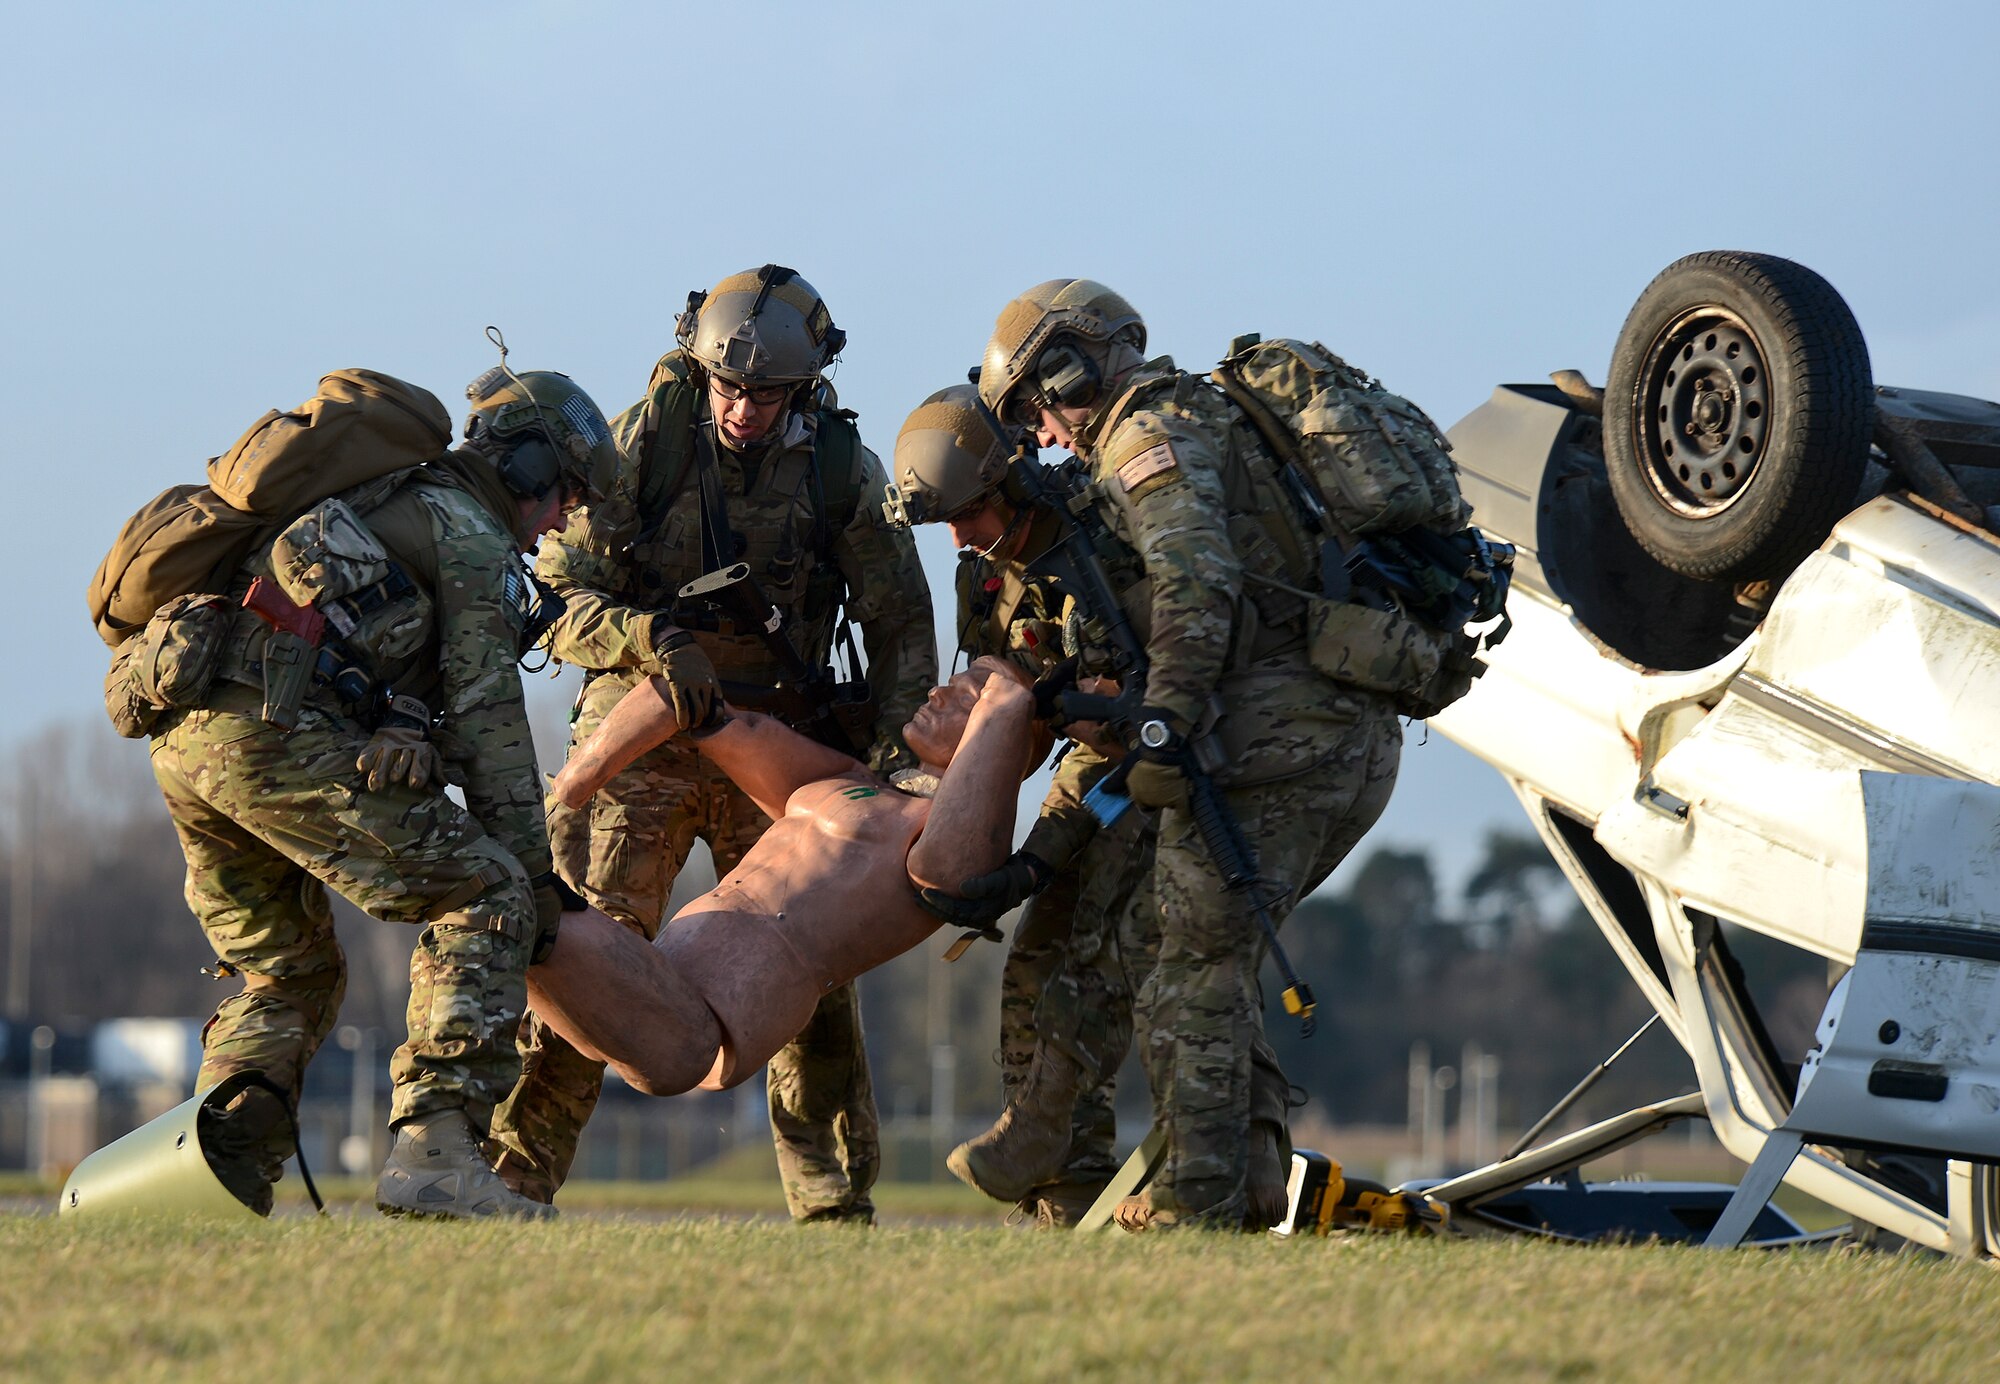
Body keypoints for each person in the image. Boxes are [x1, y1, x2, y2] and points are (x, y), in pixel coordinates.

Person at [938, 279, 1403, 1230]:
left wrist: (1164, 723)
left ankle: (1199, 1207)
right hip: (1331, 732)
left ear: (1070, 372)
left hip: (1278, 742)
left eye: (1039, 407)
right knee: (1187, 958)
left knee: (1186, 970)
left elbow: (1197, 585)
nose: (1047, 435)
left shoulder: (1143, 437)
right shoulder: (1195, 415)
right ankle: (1240, 1180)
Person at [487, 265, 937, 1222]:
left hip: (773, 753)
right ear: (700, 371)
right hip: (636, 750)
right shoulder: (637, 445)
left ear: (803, 388)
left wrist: (899, 769)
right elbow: (554, 597)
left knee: (808, 980)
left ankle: (831, 1206)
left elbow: (902, 620)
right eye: (728, 387)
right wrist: (645, 642)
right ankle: (511, 1185)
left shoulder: (840, 472)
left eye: (766, 395)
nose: (742, 409)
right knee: (585, 962)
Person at [138, 364, 620, 1220]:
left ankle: (203, 1181)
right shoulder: (467, 531)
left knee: (289, 969)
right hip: (271, 737)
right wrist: (536, 879)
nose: (560, 523)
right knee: (489, 889)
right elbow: (489, 722)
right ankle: (437, 1148)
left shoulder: (392, 497)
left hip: (191, 739)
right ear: (531, 471)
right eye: (565, 497)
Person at [525, 659, 1036, 1115]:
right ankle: (507, 898)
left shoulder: (951, 850)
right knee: (543, 972)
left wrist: (1011, 698)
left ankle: (520, 896)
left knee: (678, 1055)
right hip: (665, 966)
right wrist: (571, 789)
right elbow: (686, 702)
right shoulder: (850, 780)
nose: (936, 694)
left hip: (727, 1009)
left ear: (999, 737)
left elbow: (948, 866)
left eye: (969, 696)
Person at [885, 387, 1158, 1226]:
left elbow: (1173, 678)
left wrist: (1056, 704)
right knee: (1037, 961)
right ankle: (1063, 1196)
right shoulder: (987, 574)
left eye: (969, 515)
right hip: (1099, 764)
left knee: (1110, 973)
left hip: (1179, 763)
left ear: (1014, 485)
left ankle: (1217, 1173)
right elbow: (1012, 720)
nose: (960, 538)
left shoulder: (1115, 536)